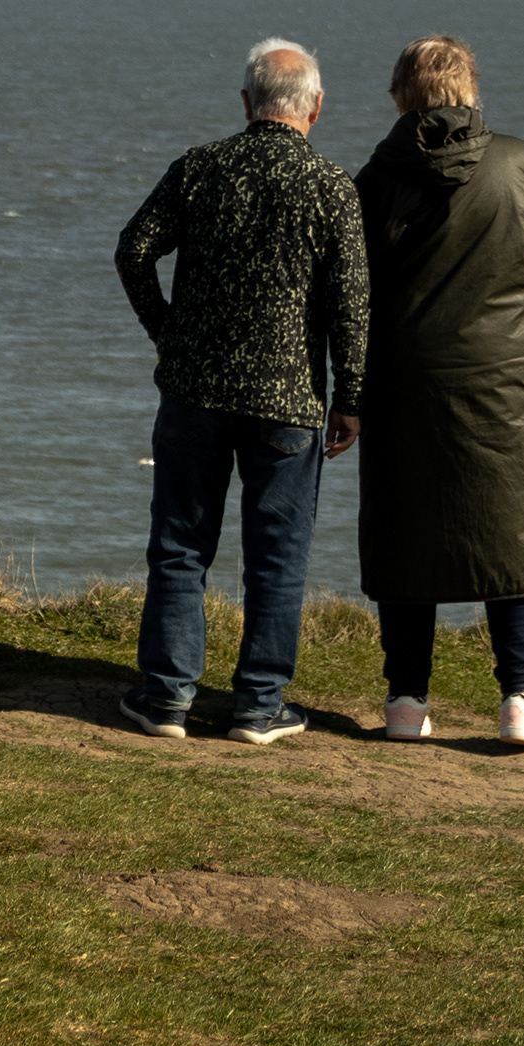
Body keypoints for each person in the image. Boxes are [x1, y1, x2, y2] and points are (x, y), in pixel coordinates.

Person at [113, 37, 367, 745]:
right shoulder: (331, 186)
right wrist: (350, 397)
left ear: (248, 103)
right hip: (288, 403)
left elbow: (133, 250)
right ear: (315, 108)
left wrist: (169, 334)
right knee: (277, 558)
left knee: (181, 547)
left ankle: (165, 698)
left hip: (194, 392)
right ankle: (258, 708)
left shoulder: (200, 169)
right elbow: (352, 304)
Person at [354, 34, 524, 750]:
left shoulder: (377, 177)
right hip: (510, 381)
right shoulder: (517, 162)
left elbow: (357, 288)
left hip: (408, 383)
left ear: (402, 96)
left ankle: (406, 701)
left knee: (407, 534)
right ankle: (522, 697)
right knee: (515, 532)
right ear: (470, 89)